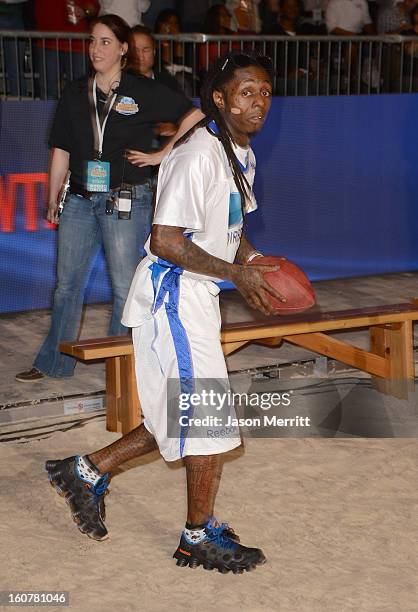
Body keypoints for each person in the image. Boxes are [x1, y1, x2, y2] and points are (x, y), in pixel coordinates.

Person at [45, 51, 285, 574]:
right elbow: (166, 239)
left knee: (186, 413)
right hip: (173, 295)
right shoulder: (197, 154)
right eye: (246, 91)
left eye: (265, 91)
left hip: (197, 294)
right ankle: (197, 537)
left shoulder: (238, 153)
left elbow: (231, 225)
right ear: (218, 99)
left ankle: (86, 471)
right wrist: (236, 274)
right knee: (207, 418)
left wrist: (250, 260)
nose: (259, 102)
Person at [15, 14, 204, 382]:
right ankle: (54, 362)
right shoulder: (75, 92)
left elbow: (194, 116)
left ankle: (123, 372)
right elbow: (61, 149)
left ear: (122, 49)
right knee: (67, 285)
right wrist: (53, 194)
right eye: (91, 40)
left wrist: (160, 154)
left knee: (123, 288)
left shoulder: (142, 90)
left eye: (104, 41)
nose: (95, 48)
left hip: (126, 200)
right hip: (80, 201)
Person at [34, 0, 99, 99]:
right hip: (49, 41)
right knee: (50, 91)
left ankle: (74, 114)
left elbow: (94, 6)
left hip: (75, 43)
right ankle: (49, 114)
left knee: (77, 91)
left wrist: (85, 11)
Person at [0, 0, 28, 96]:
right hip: (15, 17)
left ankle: (20, 108)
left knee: (15, 71)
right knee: (15, 71)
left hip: (16, 18)